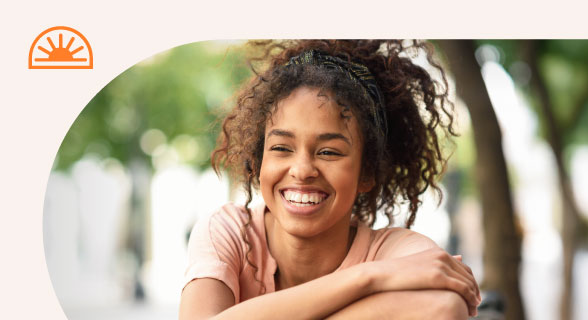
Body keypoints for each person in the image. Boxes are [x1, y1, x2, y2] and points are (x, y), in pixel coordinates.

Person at [179, 40, 481, 319]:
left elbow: (444, 307)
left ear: (366, 173)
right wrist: (367, 278)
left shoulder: (395, 253)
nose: (302, 170)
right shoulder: (230, 233)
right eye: (282, 148)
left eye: (329, 152)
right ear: (259, 163)